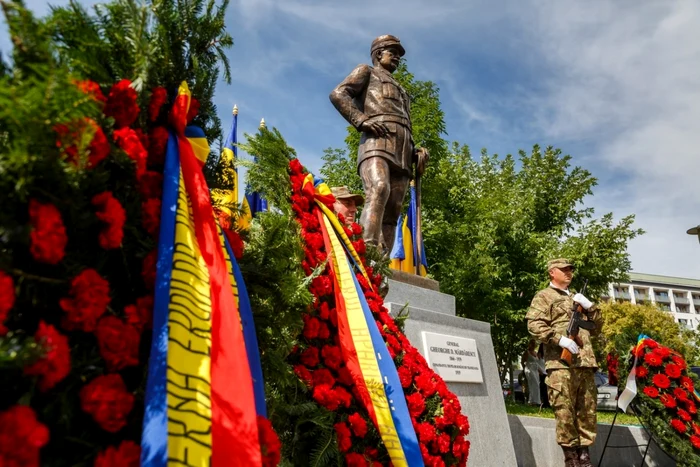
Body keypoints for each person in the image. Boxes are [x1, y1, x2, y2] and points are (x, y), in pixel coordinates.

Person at [329, 34, 428, 253]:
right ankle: (366, 251)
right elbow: (338, 94)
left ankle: (381, 264)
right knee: (379, 188)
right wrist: (360, 119)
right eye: (392, 53)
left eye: (399, 55)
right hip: (376, 143)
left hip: (403, 149)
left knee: (393, 208)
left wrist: (416, 152)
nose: (397, 58)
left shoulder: (403, 91)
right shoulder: (367, 71)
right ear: (377, 54)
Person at [526, 258, 603, 467]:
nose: (569, 273)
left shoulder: (578, 298)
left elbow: (597, 326)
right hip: (561, 365)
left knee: (587, 412)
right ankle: (571, 460)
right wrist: (560, 339)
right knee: (565, 412)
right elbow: (534, 324)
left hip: (585, 363)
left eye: (571, 270)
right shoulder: (544, 296)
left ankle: (585, 458)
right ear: (552, 272)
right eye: (564, 270)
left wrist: (590, 306)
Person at [521, 340, 542, 406]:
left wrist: (540, 370)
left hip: (535, 370)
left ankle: (536, 401)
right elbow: (522, 361)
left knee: (537, 385)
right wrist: (525, 368)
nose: (533, 345)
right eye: (531, 344)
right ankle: (531, 401)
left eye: (534, 344)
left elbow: (537, 363)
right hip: (529, 370)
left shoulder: (535, 353)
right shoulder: (527, 352)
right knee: (532, 384)